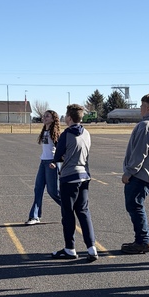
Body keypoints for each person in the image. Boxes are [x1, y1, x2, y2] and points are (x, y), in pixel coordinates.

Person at [50, 104, 97, 262]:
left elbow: (58, 156)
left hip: (69, 177)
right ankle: (92, 248)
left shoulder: (66, 134)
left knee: (68, 213)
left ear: (69, 117)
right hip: (84, 175)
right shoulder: (87, 133)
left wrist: (60, 158)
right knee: (83, 212)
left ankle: (70, 248)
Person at [121, 94, 149, 254]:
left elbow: (140, 153)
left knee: (135, 205)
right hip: (144, 174)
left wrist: (129, 172)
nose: (140, 108)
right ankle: (141, 240)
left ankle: (143, 241)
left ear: (148, 107)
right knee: (134, 205)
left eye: (141, 105)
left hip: (140, 175)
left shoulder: (146, 126)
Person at [25, 109, 62, 225]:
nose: (45, 118)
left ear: (53, 119)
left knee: (53, 192)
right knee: (38, 189)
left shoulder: (55, 132)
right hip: (43, 162)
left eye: (48, 116)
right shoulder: (44, 131)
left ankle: (70, 208)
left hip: (52, 163)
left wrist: (55, 163)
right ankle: (34, 216)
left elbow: (60, 150)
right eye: (44, 116)